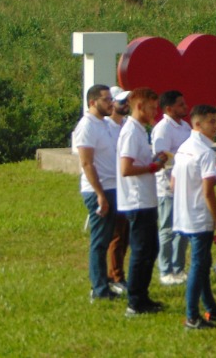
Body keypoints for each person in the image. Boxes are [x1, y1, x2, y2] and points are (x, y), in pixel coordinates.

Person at [172, 104, 216, 329]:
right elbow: (208, 191)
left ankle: (211, 308)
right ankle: (192, 316)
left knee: (202, 263)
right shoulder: (205, 152)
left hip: (184, 212)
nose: (215, 126)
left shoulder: (184, 147)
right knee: (198, 264)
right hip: (198, 216)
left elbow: (173, 183)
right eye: (211, 122)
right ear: (197, 124)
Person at [117, 87, 169, 317]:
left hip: (145, 199)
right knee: (141, 251)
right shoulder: (130, 131)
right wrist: (151, 167)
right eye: (152, 108)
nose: (155, 113)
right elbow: (126, 168)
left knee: (150, 249)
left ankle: (142, 296)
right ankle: (135, 302)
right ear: (139, 106)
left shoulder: (139, 130)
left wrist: (155, 160)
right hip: (136, 200)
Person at [72, 84, 119, 302]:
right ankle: (99, 289)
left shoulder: (105, 124)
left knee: (108, 237)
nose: (111, 102)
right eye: (106, 99)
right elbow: (86, 162)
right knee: (99, 241)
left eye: (111, 99)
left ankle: (105, 282)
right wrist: (100, 194)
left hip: (111, 187)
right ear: (92, 102)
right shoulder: (87, 126)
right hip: (98, 190)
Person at [151, 90, 191, 286]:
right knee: (167, 229)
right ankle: (165, 269)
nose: (185, 107)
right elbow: (161, 157)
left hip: (185, 186)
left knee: (183, 228)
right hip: (168, 186)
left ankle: (178, 267)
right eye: (181, 104)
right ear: (169, 108)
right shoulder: (163, 129)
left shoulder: (185, 126)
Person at [105, 86, 130, 295]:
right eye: (121, 102)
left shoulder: (127, 126)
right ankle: (115, 276)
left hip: (127, 186)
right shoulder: (106, 128)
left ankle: (117, 273)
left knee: (125, 234)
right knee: (116, 235)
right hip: (112, 186)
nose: (125, 105)